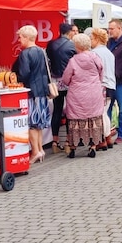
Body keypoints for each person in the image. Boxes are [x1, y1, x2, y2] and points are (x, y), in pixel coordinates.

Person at [59, 34, 106, 159]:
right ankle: (93, 146)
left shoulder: (73, 61)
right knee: (93, 118)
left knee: (75, 120)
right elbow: (101, 72)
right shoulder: (95, 57)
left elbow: (65, 79)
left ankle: (73, 147)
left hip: (77, 94)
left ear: (76, 46)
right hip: (94, 92)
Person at [12, 25, 51, 164]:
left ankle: (35, 151)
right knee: (39, 124)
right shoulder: (41, 51)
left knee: (32, 123)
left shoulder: (25, 53)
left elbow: (24, 74)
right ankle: (40, 149)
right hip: (42, 91)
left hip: (31, 92)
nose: (19, 39)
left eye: (21, 37)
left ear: (27, 37)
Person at [46, 23, 77, 153]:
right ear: (69, 32)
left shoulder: (51, 44)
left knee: (57, 111)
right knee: (70, 111)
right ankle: (68, 143)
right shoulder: (72, 45)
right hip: (69, 81)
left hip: (55, 81)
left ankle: (54, 141)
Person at [90, 27, 117, 149]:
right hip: (111, 85)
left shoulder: (95, 53)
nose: (90, 41)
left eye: (91, 38)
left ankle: (104, 139)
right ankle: (107, 138)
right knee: (104, 112)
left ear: (96, 39)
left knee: (101, 114)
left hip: (101, 86)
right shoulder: (109, 53)